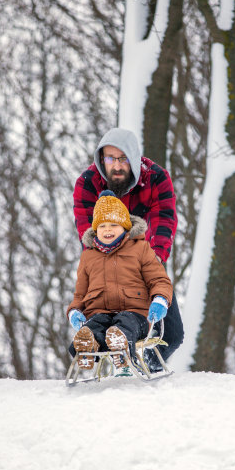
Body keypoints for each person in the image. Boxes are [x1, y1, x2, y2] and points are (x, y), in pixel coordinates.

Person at [73, 127, 183, 371]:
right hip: (104, 267)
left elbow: (165, 221)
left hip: (145, 263)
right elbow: (87, 233)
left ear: (133, 157)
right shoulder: (87, 183)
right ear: (102, 159)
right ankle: (115, 365)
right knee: (101, 327)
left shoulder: (156, 178)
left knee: (173, 335)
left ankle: (148, 367)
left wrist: (150, 261)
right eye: (110, 159)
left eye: (123, 159)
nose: (117, 166)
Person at [67, 191, 173, 372]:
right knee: (94, 326)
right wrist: (74, 311)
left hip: (135, 313)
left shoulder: (140, 249)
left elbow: (158, 279)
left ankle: (121, 345)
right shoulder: (88, 257)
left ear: (125, 227)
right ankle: (87, 346)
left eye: (114, 224)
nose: (107, 230)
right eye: (102, 226)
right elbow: (80, 293)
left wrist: (160, 299)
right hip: (99, 312)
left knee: (125, 322)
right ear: (95, 230)